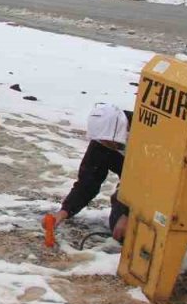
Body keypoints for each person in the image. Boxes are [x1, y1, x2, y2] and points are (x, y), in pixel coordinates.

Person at [43, 103, 132, 247]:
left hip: (163, 187)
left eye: (110, 143)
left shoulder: (148, 134)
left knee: (135, 231)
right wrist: (64, 211)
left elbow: (156, 181)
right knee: (118, 227)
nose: (107, 146)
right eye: (103, 142)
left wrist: (129, 215)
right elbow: (88, 181)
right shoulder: (103, 141)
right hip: (131, 185)